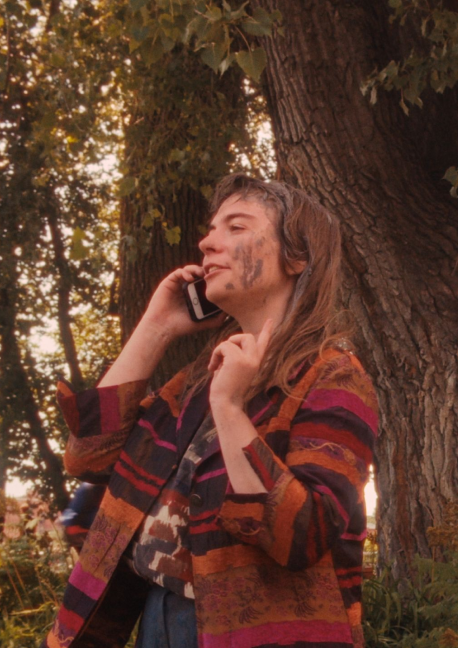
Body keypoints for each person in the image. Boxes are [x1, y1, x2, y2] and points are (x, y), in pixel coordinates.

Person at [44, 175, 379, 648]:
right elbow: (90, 456)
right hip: (156, 613)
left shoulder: (334, 377)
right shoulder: (204, 374)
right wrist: (156, 327)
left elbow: (302, 536)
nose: (206, 242)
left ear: (296, 256)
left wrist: (229, 406)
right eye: (210, 228)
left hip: (248, 630)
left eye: (235, 227)